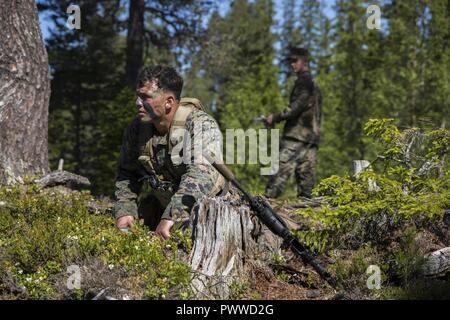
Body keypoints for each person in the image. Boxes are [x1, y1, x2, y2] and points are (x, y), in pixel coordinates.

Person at [113, 65, 225, 239]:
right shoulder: (137, 129)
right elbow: (127, 173)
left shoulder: (200, 124)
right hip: (164, 205)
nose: (137, 102)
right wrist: (125, 210)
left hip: (212, 209)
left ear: (169, 102)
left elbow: (201, 175)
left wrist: (173, 214)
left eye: (145, 97)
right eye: (138, 95)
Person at [264, 47, 322, 199]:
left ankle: (265, 205)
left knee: (279, 170)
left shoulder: (304, 81)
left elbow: (296, 106)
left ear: (305, 61)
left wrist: (274, 117)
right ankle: (307, 211)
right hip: (311, 138)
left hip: (297, 136)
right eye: (290, 61)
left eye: (295, 61)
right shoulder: (313, 82)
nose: (292, 64)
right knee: (306, 177)